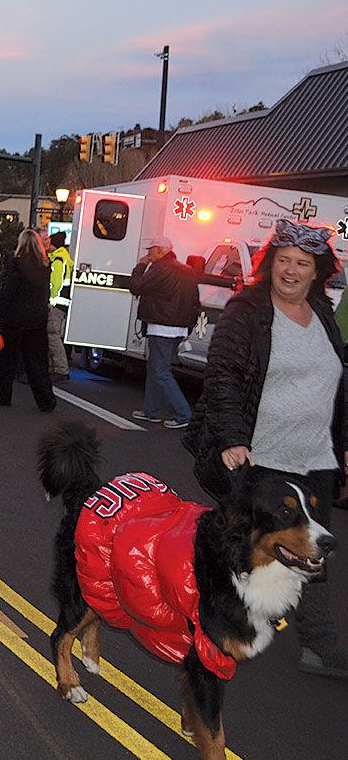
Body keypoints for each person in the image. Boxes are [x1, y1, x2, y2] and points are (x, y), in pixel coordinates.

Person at [184, 219, 348, 679]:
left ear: (319, 272)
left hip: (314, 457)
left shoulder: (321, 313)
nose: (291, 271)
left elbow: (338, 382)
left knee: (311, 552)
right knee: (237, 551)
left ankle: (318, 645)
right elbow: (223, 378)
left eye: (302, 263)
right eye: (283, 261)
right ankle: (217, 633)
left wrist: (344, 443)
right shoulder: (247, 310)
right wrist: (234, 438)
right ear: (269, 265)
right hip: (260, 460)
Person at [129, 234, 200, 429]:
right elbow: (195, 301)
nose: (148, 254)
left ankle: (183, 414)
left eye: (151, 250)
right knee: (156, 369)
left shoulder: (160, 269)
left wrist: (140, 267)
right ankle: (151, 411)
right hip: (178, 328)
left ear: (161, 250)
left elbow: (136, 287)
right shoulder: (186, 270)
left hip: (161, 327)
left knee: (160, 371)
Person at [0, 228, 55, 411]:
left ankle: (1, 396)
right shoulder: (44, 264)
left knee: (7, 360)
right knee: (37, 363)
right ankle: (46, 401)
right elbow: (45, 292)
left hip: (15, 318)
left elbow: (8, 290)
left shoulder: (15, 262)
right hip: (36, 319)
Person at [47, 231, 73, 382]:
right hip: (61, 303)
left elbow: (55, 284)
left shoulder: (58, 260)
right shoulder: (64, 258)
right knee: (53, 335)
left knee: (52, 335)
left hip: (56, 304)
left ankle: (61, 370)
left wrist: (51, 301)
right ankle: (57, 368)